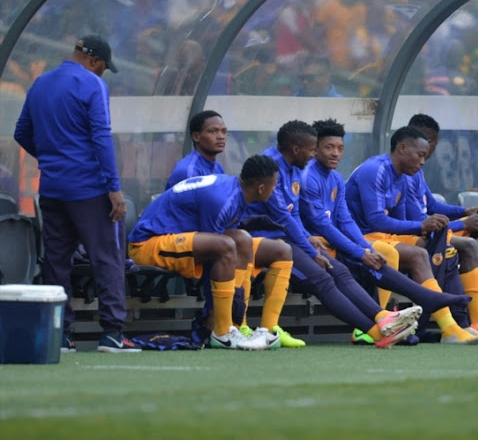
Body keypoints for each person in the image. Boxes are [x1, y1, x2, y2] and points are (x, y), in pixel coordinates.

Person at [244, 120, 422, 349]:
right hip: (268, 239)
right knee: (323, 277)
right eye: (314, 149)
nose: (313, 154)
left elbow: (294, 213)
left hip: (289, 237)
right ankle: (378, 332)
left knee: (340, 270)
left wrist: (313, 241)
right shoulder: (274, 168)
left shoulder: (300, 168)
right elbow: (286, 218)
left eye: (340, 148)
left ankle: (382, 318)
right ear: (299, 149)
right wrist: (314, 249)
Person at [14, 35, 140, 353]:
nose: (101, 74)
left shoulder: (40, 83)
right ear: (94, 61)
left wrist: (52, 159)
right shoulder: (92, 84)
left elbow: (21, 132)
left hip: (53, 188)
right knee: (107, 257)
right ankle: (112, 333)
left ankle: (61, 335)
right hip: (89, 189)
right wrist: (114, 188)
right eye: (102, 68)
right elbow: (101, 137)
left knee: (57, 261)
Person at [299, 118, 472, 345]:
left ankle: (449, 319)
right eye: (328, 147)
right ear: (314, 150)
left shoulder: (336, 178)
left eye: (340, 148)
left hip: (343, 241)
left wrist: (365, 248)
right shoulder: (311, 176)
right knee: (379, 258)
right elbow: (333, 225)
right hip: (322, 246)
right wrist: (362, 251)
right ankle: (386, 322)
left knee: (430, 250)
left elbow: (345, 220)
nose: (336, 153)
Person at [164, 110, 304, 348]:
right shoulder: (187, 170)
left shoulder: (216, 167)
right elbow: (204, 233)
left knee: (279, 249)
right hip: (183, 241)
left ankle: (262, 328)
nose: (221, 136)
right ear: (196, 137)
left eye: (224, 131)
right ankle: (222, 321)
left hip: (214, 237)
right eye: (213, 131)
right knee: (231, 244)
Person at [129, 155, 283, 351]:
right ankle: (221, 331)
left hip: (173, 237)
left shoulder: (235, 192)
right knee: (225, 246)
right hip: (146, 244)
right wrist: (211, 311)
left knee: (243, 240)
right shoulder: (223, 199)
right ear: (261, 188)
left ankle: (235, 326)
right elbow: (215, 255)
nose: (275, 189)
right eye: (274, 185)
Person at [346, 126, 478, 345]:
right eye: (420, 155)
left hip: (382, 235)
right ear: (402, 148)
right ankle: (372, 325)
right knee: (417, 252)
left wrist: (428, 229)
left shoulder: (402, 175)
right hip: (361, 237)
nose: (423, 161)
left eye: (425, 156)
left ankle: (459, 325)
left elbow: (400, 223)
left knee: (442, 247)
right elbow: (376, 220)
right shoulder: (376, 170)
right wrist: (422, 225)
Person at [406, 115, 478, 329]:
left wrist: (463, 211)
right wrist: (464, 223)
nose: (429, 147)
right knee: (467, 244)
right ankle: (465, 320)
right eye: (427, 140)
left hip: (434, 231)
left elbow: (432, 206)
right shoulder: (403, 171)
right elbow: (421, 224)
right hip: (416, 237)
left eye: (432, 141)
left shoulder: (417, 170)